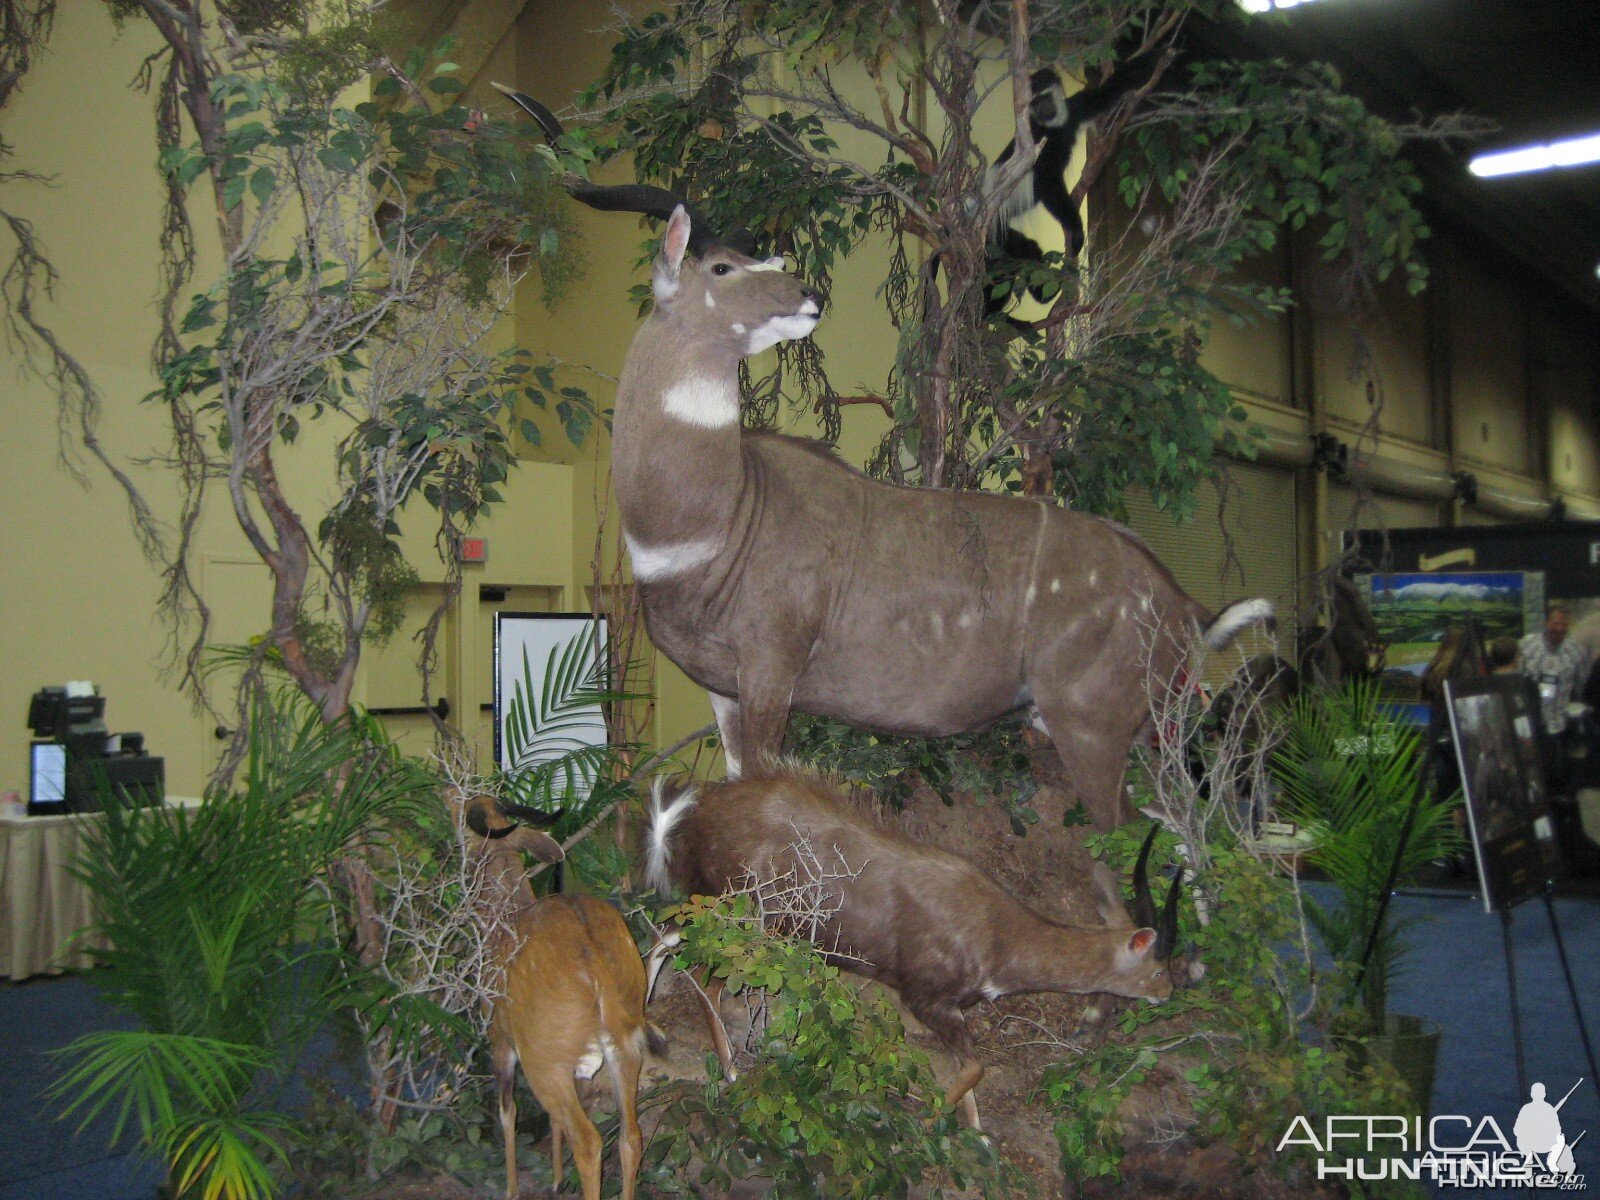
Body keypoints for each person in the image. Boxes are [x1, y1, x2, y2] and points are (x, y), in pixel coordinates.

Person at [1518, 603, 1588, 738]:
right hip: (1533, 724)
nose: (1560, 628)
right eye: (1556, 623)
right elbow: (1517, 683)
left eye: (1564, 624)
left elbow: (1581, 685)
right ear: (1546, 623)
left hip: (1562, 724)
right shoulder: (1527, 646)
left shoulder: (1576, 651)